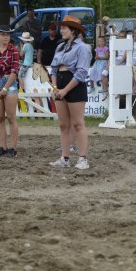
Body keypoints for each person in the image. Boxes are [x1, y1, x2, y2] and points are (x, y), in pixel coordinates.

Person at [49, 15, 92, 169]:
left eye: (64, 28)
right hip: (60, 83)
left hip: (74, 85)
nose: (61, 31)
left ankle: (82, 159)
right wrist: (55, 87)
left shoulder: (83, 48)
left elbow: (81, 73)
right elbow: (54, 69)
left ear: (73, 30)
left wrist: (65, 90)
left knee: (78, 123)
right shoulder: (60, 46)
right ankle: (64, 158)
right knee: (63, 125)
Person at [0, 25, 20, 158]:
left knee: (11, 117)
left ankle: (13, 148)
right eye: (3, 34)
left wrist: (5, 88)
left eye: (7, 34)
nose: (6, 37)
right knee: (0, 117)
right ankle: (2, 147)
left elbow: (14, 70)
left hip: (10, 83)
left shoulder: (14, 51)